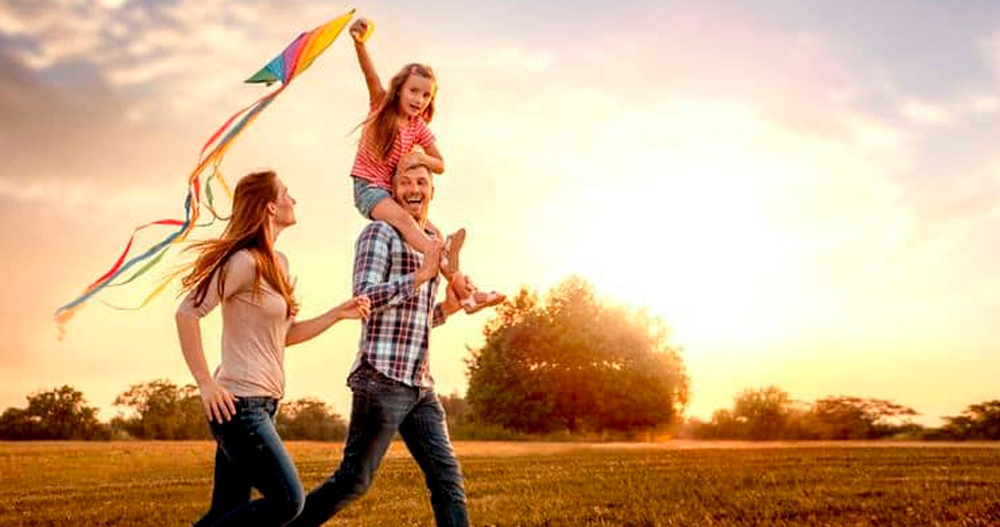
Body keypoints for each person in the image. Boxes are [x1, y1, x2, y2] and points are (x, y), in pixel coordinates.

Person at [288, 163, 502, 527]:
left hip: (420, 385)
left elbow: (418, 320)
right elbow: (364, 298)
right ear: (392, 192)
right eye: (404, 182)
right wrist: (420, 275)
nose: (413, 188)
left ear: (432, 190)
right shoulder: (378, 234)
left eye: (422, 182)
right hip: (381, 380)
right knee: (353, 481)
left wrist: (449, 307)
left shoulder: (433, 240)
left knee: (447, 479)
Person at [175, 169, 371, 527]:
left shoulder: (278, 263)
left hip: (262, 405)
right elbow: (187, 312)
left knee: (227, 509)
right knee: (288, 501)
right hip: (238, 407)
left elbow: (283, 336)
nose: (293, 200)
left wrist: (336, 314)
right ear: (269, 206)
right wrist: (205, 382)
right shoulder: (243, 261)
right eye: (286, 193)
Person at [346, 16, 502, 314]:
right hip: (369, 189)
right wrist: (359, 43)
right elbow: (370, 76)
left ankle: (467, 296)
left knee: (436, 233)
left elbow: (440, 164)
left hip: (389, 193)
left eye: (426, 94)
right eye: (413, 91)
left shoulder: (418, 127)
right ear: (399, 90)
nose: (419, 99)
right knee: (408, 224)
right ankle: (438, 254)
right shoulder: (381, 107)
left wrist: (420, 157)